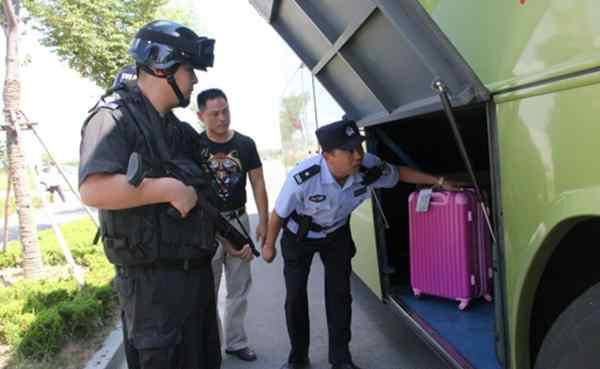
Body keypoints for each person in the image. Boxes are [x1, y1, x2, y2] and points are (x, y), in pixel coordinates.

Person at [79, 20, 252, 369]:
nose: (195, 79)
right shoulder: (113, 119)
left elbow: (200, 199)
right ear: (162, 67)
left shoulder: (180, 132)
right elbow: (93, 189)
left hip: (196, 279)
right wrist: (165, 189)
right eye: (189, 69)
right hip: (152, 288)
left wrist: (229, 236)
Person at [262, 119, 459, 369]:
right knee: (295, 297)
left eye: (359, 148)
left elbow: (399, 174)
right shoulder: (303, 178)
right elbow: (278, 214)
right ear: (328, 156)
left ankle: (341, 360)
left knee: (340, 297)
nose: (358, 156)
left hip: (336, 235)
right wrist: (269, 245)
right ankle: (298, 359)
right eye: (350, 150)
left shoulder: (368, 168)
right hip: (299, 238)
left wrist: (439, 181)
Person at [196, 88, 268, 362]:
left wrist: (263, 220)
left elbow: (258, 182)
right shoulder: (195, 146)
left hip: (238, 221)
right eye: (214, 113)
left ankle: (236, 342)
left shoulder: (245, 144)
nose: (222, 118)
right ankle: (212, 344)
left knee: (239, 288)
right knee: (207, 290)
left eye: (225, 110)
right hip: (206, 226)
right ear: (201, 115)